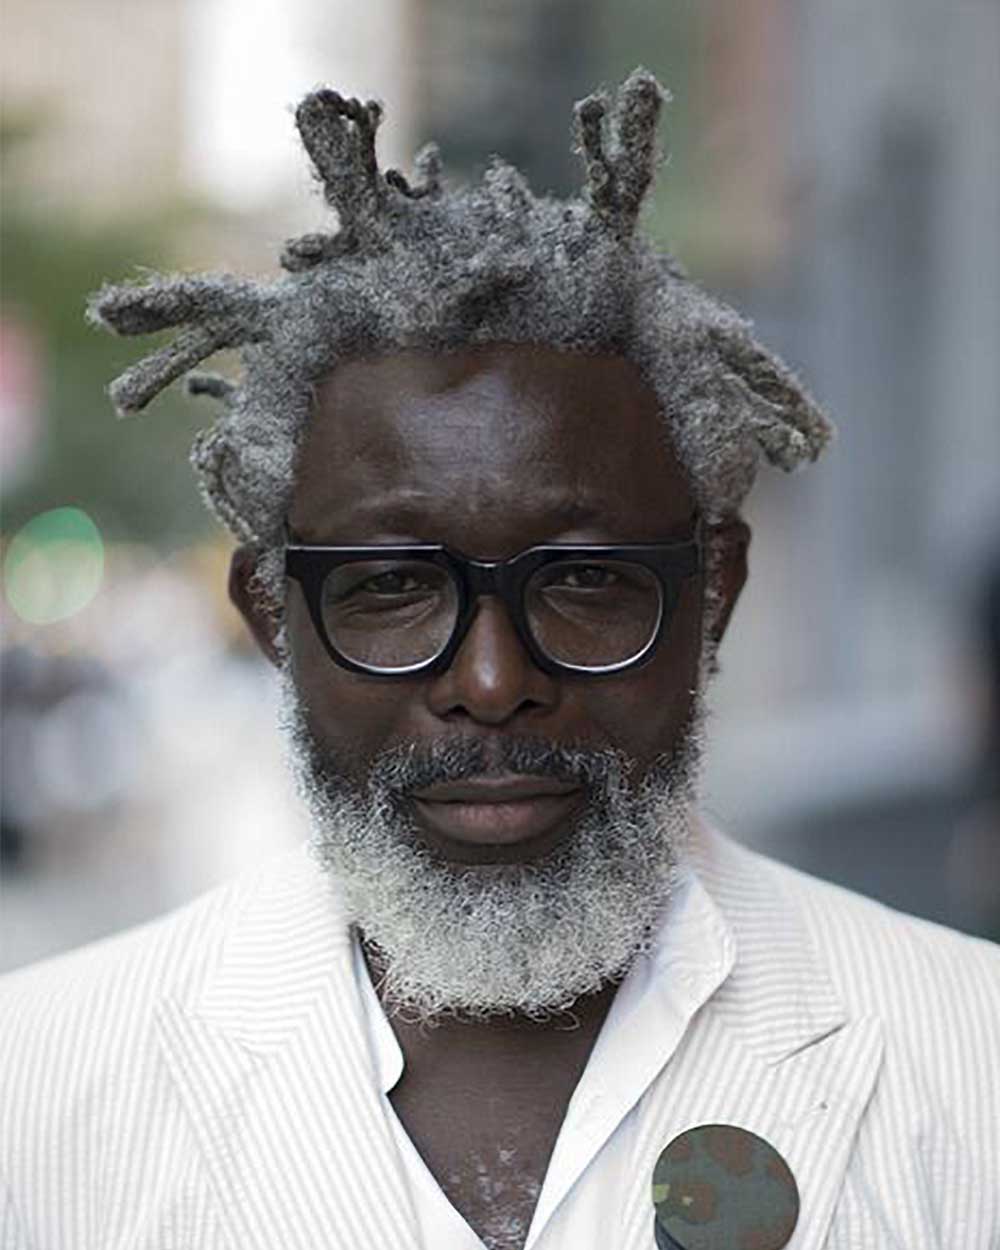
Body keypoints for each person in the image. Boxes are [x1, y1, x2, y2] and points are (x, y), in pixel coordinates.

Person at [1, 71, 997, 1250]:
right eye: (389, 587)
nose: (488, 680)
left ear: (712, 593)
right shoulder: (34, 1097)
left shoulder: (969, 1068)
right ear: (272, 615)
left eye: (580, 582)